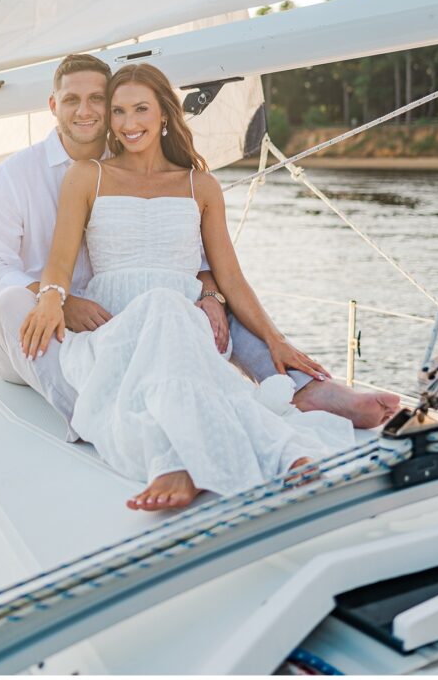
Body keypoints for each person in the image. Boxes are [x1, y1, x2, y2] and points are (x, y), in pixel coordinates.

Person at [0, 54, 399, 437]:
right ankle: (95, 415)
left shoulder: (160, 176)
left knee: (212, 305)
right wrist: (59, 301)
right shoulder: (17, 176)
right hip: (40, 330)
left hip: (126, 318)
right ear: (52, 106)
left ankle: (308, 390)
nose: (86, 111)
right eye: (71, 101)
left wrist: (210, 291)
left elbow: (176, 256)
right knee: (9, 303)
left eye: (99, 100)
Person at [20, 65, 360, 510]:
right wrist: (50, 298)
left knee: (167, 307)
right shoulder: (87, 175)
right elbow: (60, 264)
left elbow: (231, 276)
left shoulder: (202, 185)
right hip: (115, 333)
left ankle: (178, 459)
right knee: (168, 315)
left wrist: (275, 339)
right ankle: (281, 453)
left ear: (165, 114)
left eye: (141, 109)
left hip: (187, 330)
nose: (127, 122)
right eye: (118, 111)